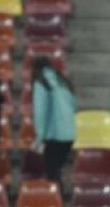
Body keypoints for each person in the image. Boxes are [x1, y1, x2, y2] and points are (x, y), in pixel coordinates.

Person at [30, 57, 77, 185]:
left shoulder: (41, 83)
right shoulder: (63, 82)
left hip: (54, 135)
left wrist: (39, 138)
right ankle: (59, 195)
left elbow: (40, 112)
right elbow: (73, 107)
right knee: (56, 169)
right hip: (70, 134)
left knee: (52, 171)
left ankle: (56, 196)